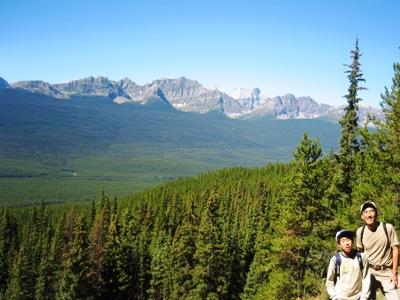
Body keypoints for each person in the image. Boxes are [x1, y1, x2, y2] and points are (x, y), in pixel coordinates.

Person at [356, 201, 400, 299]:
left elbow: (395, 249)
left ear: (376, 213)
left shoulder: (387, 228)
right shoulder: (360, 232)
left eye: (371, 211)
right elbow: (360, 255)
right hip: (369, 273)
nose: (369, 215)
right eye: (365, 212)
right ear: (362, 216)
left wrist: (394, 273)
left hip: (387, 272)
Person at [326, 229, 370, 300]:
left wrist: (364, 297)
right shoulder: (335, 260)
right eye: (343, 241)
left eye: (349, 240)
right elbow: (329, 281)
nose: (347, 243)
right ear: (339, 245)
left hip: (358, 297)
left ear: (353, 241)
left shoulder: (362, 257)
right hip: (340, 297)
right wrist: (334, 297)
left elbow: (366, 278)